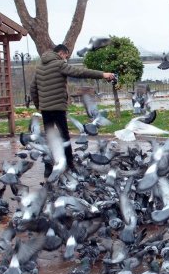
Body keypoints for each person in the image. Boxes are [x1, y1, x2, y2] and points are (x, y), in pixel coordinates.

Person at [29, 44, 116, 175]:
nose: (66, 59)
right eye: (66, 56)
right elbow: (80, 72)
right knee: (64, 136)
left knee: (50, 137)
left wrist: (39, 106)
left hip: (45, 109)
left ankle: (51, 165)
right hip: (58, 108)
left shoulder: (40, 68)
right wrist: (103, 74)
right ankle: (69, 164)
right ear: (61, 53)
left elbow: (33, 89)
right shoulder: (59, 64)